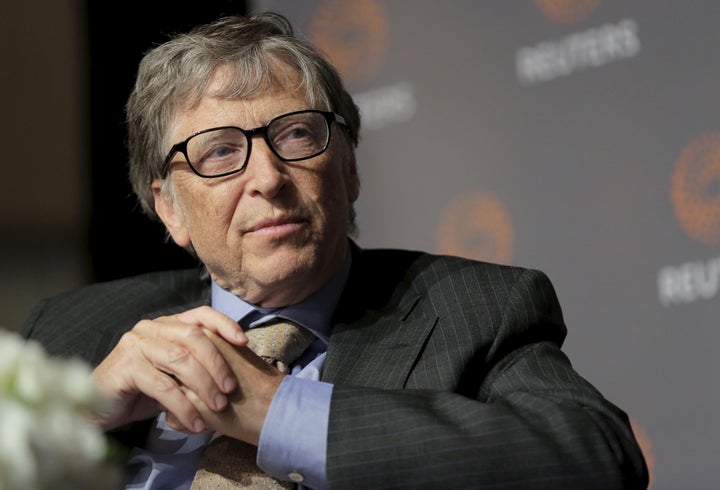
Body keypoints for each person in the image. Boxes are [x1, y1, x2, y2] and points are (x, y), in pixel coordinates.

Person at [21, 11, 648, 490]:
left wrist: (277, 413)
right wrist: (64, 424)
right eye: (218, 151)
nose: (266, 178)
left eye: (297, 135)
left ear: (348, 170)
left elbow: (596, 456)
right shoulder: (73, 332)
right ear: (169, 208)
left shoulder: (472, 309)